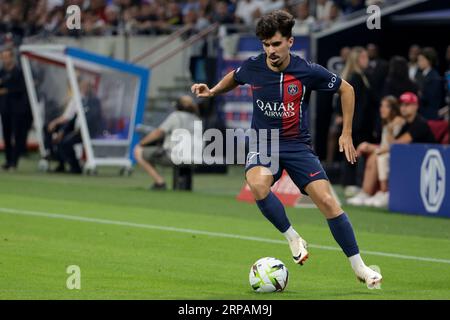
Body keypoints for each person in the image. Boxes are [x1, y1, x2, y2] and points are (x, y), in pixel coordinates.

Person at [191, 10, 382, 289]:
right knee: (257, 185)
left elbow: (347, 89)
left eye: (276, 44)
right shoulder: (254, 66)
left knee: (328, 202)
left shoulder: (308, 71)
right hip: (264, 141)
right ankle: (293, 237)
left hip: (297, 146)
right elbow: (234, 76)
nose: (270, 50)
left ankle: (360, 267)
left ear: (290, 42)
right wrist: (212, 91)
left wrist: (347, 132)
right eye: (266, 45)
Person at [133, 95, 201, 190]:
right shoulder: (196, 118)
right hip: (195, 157)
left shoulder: (176, 116)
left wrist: (141, 143)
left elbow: (159, 132)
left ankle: (159, 182)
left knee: (138, 151)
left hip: (175, 156)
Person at [347, 96, 404, 207]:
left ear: (393, 109)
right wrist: (368, 146)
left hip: (396, 154)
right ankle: (366, 192)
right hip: (386, 151)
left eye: (386, 106)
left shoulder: (397, 122)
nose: (382, 109)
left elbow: (393, 145)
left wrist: (376, 149)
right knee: (370, 150)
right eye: (381, 106)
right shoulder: (387, 124)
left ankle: (376, 192)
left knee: (375, 156)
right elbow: (384, 145)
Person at [0, 47, 32, 171]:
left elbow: (21, 89)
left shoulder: (19, 72)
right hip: (5, 108)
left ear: (12, 57)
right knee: (6, 135)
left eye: (7, 56)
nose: (5, 59)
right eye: (3, 56)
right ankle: (8, 160)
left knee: (17, 135)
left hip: (17, 109)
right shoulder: (2, 72)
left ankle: (14, 161)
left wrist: (6, 90)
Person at [417, 47, 444, 120]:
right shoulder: (420, 75)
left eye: (421, 60)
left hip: (429, 116)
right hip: (421, 113)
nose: (418, 62)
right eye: (418, 60)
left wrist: (418, 93)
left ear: (429, 61)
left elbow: (432, 99)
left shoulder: (434, 77)